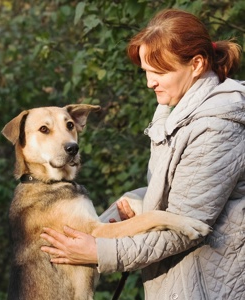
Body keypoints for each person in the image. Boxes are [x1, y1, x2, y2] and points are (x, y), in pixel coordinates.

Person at [40, 9, 245, 299]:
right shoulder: (178, 108)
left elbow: (184, 228)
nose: (150, 83)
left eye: (159, 72)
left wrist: (98, 252)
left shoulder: (217, 125)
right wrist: (140, 202)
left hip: (209, 285)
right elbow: (184, 190)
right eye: (146, 72)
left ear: (197, 64)